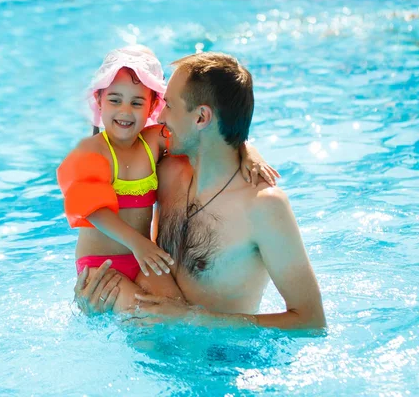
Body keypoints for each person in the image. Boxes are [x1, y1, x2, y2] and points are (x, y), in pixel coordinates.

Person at [73, 52, 326, 330]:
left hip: (220, 362)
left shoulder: (263, 207)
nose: (159, 116)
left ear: (201, 117)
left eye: (168, 105)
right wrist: (94, 301)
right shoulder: (166, 173)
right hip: (151, 350)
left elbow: (311, 322)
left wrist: (192, 320)